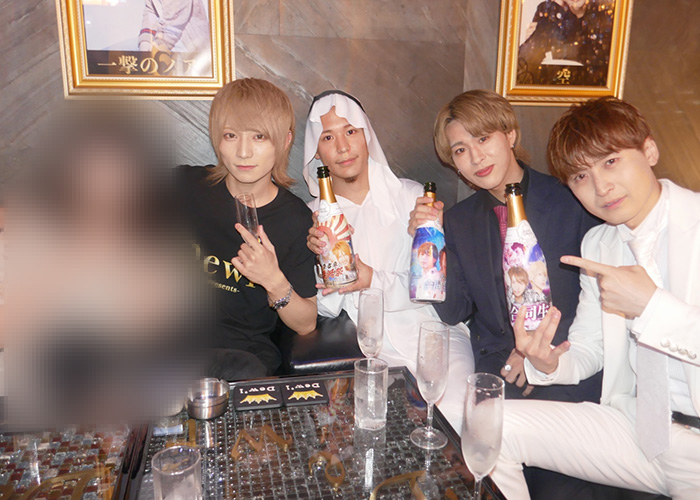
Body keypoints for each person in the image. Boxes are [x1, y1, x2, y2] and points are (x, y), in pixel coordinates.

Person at [411, 89, 616, 499]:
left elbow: (596, 298)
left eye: (483, 138)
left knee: (557, 489)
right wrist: (426, 242)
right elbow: (453, 311)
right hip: (497, 377)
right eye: (460, 150)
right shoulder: (459, 220)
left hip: (567, 365)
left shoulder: (571, 199)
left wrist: (535, 352)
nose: (476, 157)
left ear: (510, 134)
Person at [492, 97, 699, 499]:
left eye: (611, 161)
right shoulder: (599, 243)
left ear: (649, 151)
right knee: (488, 424)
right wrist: (549, 362)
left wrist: (652, 307)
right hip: (638, 429)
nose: (601, 188)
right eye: (581, 176)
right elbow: (590, 347)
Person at [304, 90, 474, 432]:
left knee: (458, 417)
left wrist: (372, 278)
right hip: (370, 348)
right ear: (316, 151)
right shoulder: (313, 216)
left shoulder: (412, 197)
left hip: (433, 335)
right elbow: (326, 310)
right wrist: (324, 265)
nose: (342, 147)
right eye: (328, 137)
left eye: (350, 131)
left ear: (367, 135)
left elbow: (431, 287)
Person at [179, 78, 317, 380]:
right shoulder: (185, 187)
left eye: (259, 136)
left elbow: (306, 323)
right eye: (231, 135)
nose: (243, 152)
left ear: (285, 141)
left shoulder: (294, 219)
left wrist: (273, 280)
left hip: (240, 357)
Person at [517, 0, 614, 86]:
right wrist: (535, 38)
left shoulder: (604, 13)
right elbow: (525, 67)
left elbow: (599, 65)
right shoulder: (550, 11)